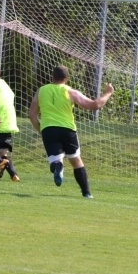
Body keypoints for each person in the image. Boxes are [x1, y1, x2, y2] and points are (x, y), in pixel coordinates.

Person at [28, 65, 114, 198]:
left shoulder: (41, 91)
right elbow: (95, 105)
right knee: (76, 160)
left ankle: (58, 166)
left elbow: (32, 114)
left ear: (52, 77)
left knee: (55, 161)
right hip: (68, 130)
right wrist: (108, 93)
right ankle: (86, 193)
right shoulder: (70, 92)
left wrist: (41, 130)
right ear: (66, 78)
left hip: (48, 129)